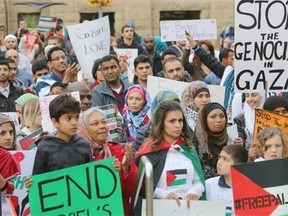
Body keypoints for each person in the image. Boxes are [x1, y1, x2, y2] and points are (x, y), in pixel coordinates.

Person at [135, 100, 205, 213]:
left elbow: (199, 181)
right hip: (158, 210)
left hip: (188, 210)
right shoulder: (148, 152)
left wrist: (194, 192)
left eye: (180, 120)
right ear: (161, 122)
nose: (178, 125)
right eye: (172, 121)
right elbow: (141, 186)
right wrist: (164, 194)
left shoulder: (189, 149)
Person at [78, 107, 138, 216]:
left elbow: (133, 191)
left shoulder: (117, 151)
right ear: (84, 130)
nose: (102, 126)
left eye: (103, 122)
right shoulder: (75, 155)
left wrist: (125, 169)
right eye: (95, 124)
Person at [27, 94, 92, 175]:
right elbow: (38, 178)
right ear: (55, 122)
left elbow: (90, 175)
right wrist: (31, 183)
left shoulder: (84, 145)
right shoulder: (44, 147)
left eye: (76, 117)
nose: (74, 122)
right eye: (68, 118)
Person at [195, 102, 234, 179]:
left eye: (222, 116)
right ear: (204, 120)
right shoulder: (194, 147)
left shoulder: (233, 143)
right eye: (213, 117)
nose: (219, 120)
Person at [205, 145, 248, 215]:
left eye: (225, 159)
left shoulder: (250, 187)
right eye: (219, 157)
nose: (219, 162)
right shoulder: (209, 184)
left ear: (238, 165)